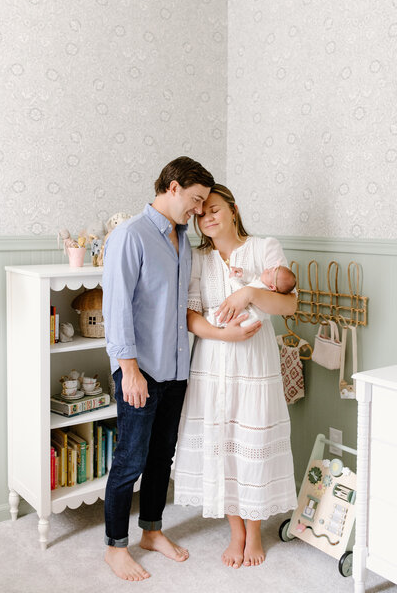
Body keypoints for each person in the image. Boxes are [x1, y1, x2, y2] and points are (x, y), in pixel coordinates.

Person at [174, 183, 298, 569]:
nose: (207, 217)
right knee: (222, 440)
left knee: (253, 437)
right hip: (212, 359)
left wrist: (247, 294)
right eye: (201, 212)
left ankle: (255, 529)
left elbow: (289, 304)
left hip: (254, 361)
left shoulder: (264, 248)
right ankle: (236, 531)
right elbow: (191, 316)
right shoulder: (198, 259)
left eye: (215, 209)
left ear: (233, 208)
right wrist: (223, 333)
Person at [102, 156, 215, 581]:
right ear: (172, 186)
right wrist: (128, 370)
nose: (199, 209)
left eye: (204, 202)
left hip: (175, 369)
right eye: (195, 199)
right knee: (130, 460)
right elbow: (116, 309)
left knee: (161, 457)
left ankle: (151, 531)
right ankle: (115, 547)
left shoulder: (183, 239)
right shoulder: (130, 235)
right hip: (140, 369)